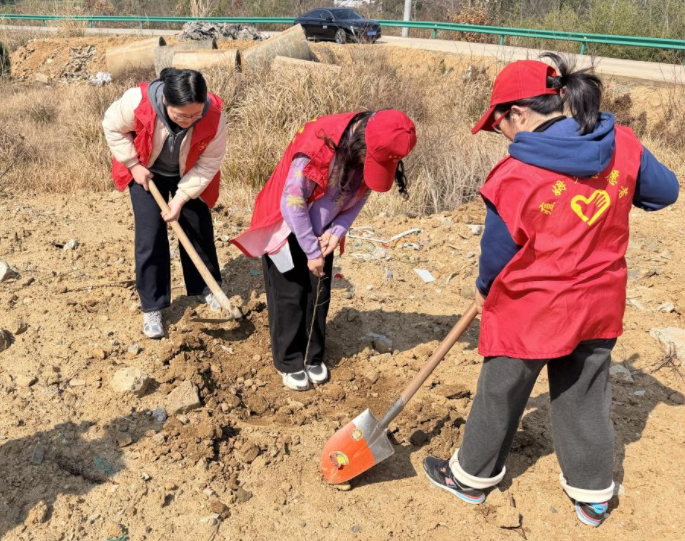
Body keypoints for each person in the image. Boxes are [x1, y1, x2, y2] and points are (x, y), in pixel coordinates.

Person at [423, 53, 679, 527]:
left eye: (498, 124)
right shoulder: (622, 142)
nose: (501, 134)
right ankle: (593, 495)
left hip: (529, 309)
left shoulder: (514, 174)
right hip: (599, 303)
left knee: (501, 390)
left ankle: (471, 477)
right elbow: (665, 193)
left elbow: (497, 253)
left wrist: (484, 290)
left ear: (519, 114)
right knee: (585, 393)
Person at [232, 110, 417, 391]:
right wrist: (311, 251)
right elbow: (292, 201)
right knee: (289, 294)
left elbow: (361, 194)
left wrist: (337, 230)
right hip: (285, 224)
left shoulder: (369, 152)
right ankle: (289, 360)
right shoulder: (318, 146)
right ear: (361, 144)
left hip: (323, 229)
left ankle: (312, 354)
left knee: (319, 291)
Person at [103, 67, 227, 339]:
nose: (190, 121)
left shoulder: (214, 115)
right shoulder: (138, 102)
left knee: (197, 229)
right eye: (181, 115)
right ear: (165, 102)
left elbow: (209, 163)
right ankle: (153, 306)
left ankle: (207, 287)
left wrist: (180, 199)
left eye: (196, 114)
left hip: (190, 172)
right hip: (146, 171)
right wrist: (133, 165)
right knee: (150, 237)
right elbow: (112, 126)